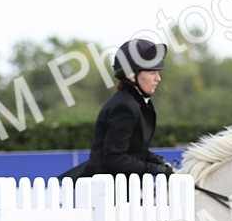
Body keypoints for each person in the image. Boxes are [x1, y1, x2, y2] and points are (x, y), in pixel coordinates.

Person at [62, 38, 173, 180]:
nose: (158, 78)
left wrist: (159, 161)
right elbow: (115, 158)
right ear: (131, 75)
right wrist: (155, 169)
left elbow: (136, 151)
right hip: (103, 189)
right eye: (152, 73)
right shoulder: (124, 107)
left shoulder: (139, 103)